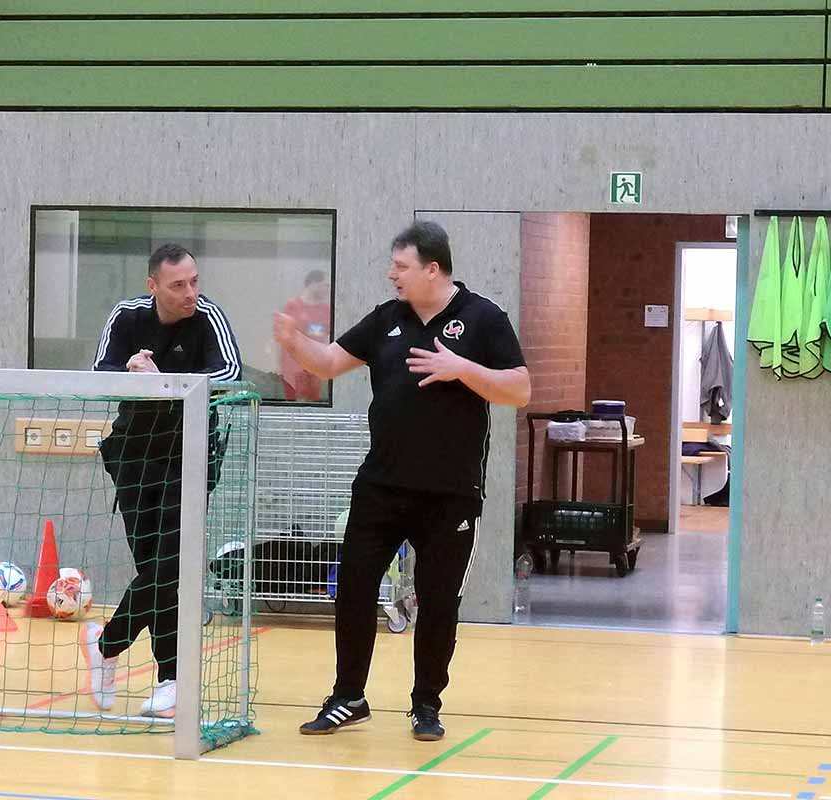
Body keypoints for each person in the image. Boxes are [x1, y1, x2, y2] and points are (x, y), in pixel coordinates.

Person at [273, 221, 530, 741]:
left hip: (450, 493)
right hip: (381, 486)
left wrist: (461, 368)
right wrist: (293, 340)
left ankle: (426, 704)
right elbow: (326, 364)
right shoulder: (386, 319)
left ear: (432, 269)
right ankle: (348, 696)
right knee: (354, 588)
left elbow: (520, 389)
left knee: (438, 601)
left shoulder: (483, 319)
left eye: (402, 266)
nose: (392, 275)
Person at [83, 242, 242, 718]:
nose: (190, 292)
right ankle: (159, 674)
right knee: (156, 566)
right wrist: (132, 371)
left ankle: (116, 648)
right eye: (178, 285)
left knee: (173, 563)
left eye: (194, 281)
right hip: (133, 458)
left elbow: (230, 371)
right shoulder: (127, 317)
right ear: (153, 286)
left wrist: (164, 378)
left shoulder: (209, 317)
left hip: (188, 458)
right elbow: (100, 372)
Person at [278, 269, 332, 401]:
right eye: (326, 285)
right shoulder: (292, 307)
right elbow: (280, 338)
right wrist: (279, 366)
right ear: (313, 283)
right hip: (292, 371)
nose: (327, 289)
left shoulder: (326, 310)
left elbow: (328, 339)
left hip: (315, 371)